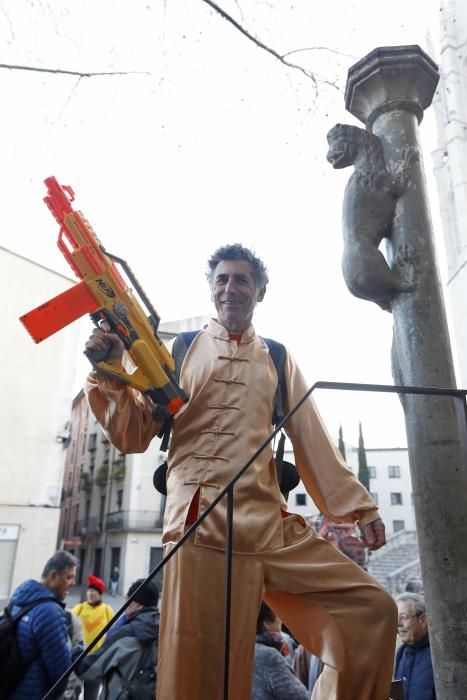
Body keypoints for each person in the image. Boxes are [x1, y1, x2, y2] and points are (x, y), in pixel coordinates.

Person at [84, 243, 398, 699]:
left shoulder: (276, 356)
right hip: (197, 529)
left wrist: (360, 508)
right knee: (197, 668)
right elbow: (133, 433)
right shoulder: (179, 349)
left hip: (267, 527)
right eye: (222, 280)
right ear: (212, 291)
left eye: (242, 279)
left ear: (261, 291)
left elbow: (312, 438)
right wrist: (110, 370)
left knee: (373, 610)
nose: (231, 288)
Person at [8, 550, 78, 699]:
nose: (73, 583)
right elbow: (61, 673)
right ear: (53, 576)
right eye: (69, 577)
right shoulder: (50, 612)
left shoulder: (19, 598)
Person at [77, 578, 159, 699]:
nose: (125, 602)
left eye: (128, 598)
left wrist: (76, 653)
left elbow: (88, 670)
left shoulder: (125, 633)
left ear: (138, 603)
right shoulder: (164, 629)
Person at [253, 602, 309, 700]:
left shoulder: (242, 651)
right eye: (278, 614)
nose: (281, 620)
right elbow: (300, 697)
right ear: (266, 623)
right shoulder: (268, 657)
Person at [71, 575, 114, 700]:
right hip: (78, 660)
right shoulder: (79, 608)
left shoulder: (107, 610)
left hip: (95, 662)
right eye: (89, 590)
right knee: (73, 693)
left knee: (91, 696)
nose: (90, 593)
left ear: (100, 593)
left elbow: (113, 632)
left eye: (94, 591)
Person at [394, 593, 436, 700]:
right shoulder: (402, 652)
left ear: (423, 620)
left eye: (403, 617)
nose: (398, 623)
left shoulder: (437, 654)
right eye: (396, 617)